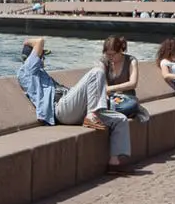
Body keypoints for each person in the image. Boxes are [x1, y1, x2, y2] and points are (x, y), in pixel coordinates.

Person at [16, 38, 131, 170]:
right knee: (97, 72)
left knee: (120, 120)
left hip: (72, 108)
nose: (44, 59)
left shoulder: (40, 73)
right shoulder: (27, 70)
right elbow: (40, 41)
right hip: (60, 109)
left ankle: (115, 164)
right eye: (42, 55)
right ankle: (92, 115)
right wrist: (27, 42)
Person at [103, 36, 140, 111]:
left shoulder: (131, 61)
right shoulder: (104, 61)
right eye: (107, 54)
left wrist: (111, 88)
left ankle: (109, 110)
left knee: (132, 105)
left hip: (126, 98)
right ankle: (111, 110)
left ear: (120, 51)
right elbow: (103, 82)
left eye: (113, 54)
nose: (110, 57)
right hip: (109, 98)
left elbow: (133, 83)